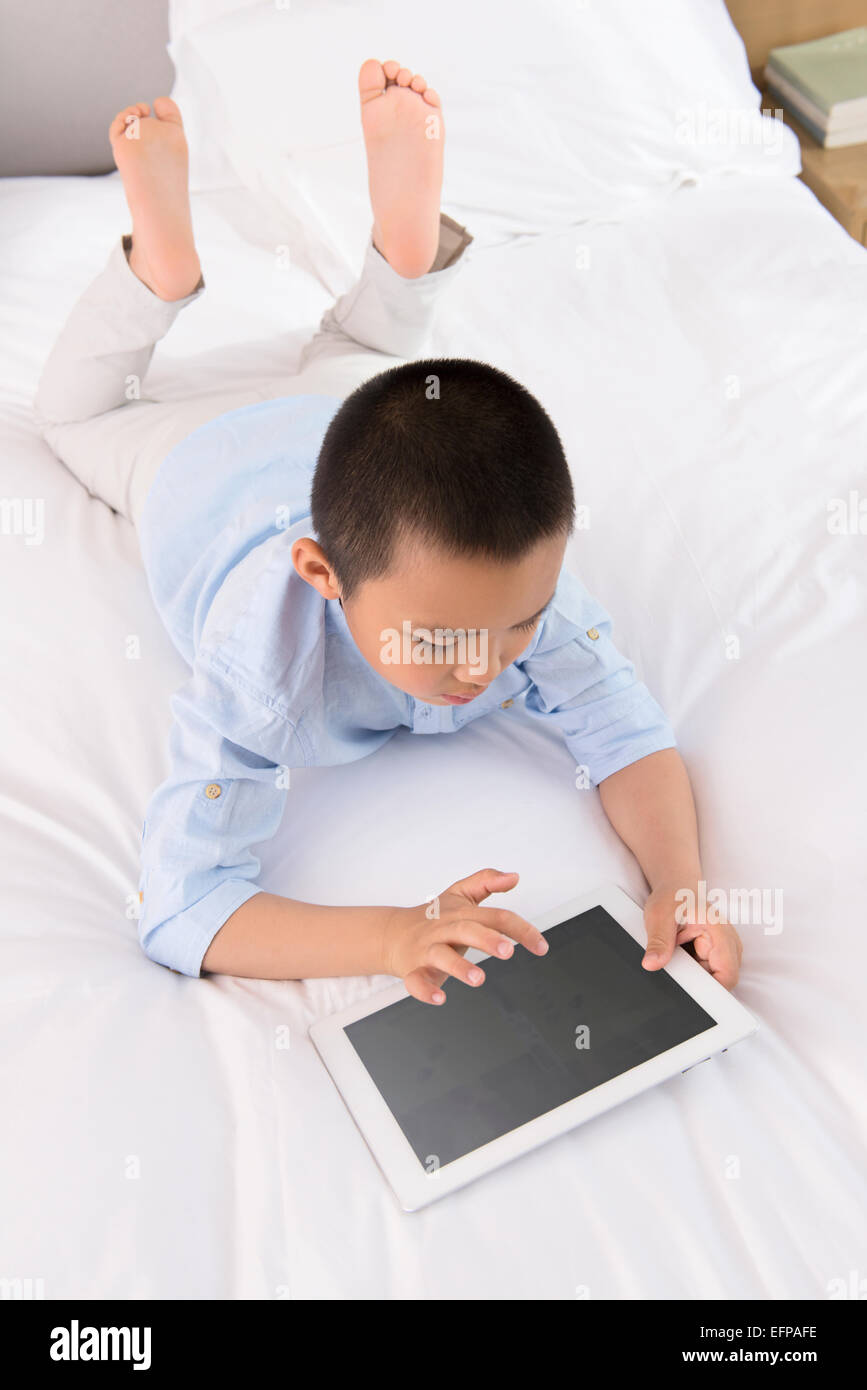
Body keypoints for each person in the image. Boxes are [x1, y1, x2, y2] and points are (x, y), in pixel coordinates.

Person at [34, 58, 743, 1003]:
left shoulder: (504, 584)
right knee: (74, 415)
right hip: (201, 460)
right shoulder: (261, 671)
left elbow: (623, 729)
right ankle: (160, 271)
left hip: (344, 422)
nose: (484, 668)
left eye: (521, 625)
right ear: (322, 575)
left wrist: (680, 882)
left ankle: (401, 260)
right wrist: (394, 934)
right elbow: (179, 907)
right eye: (443, 641)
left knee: (366, 364)